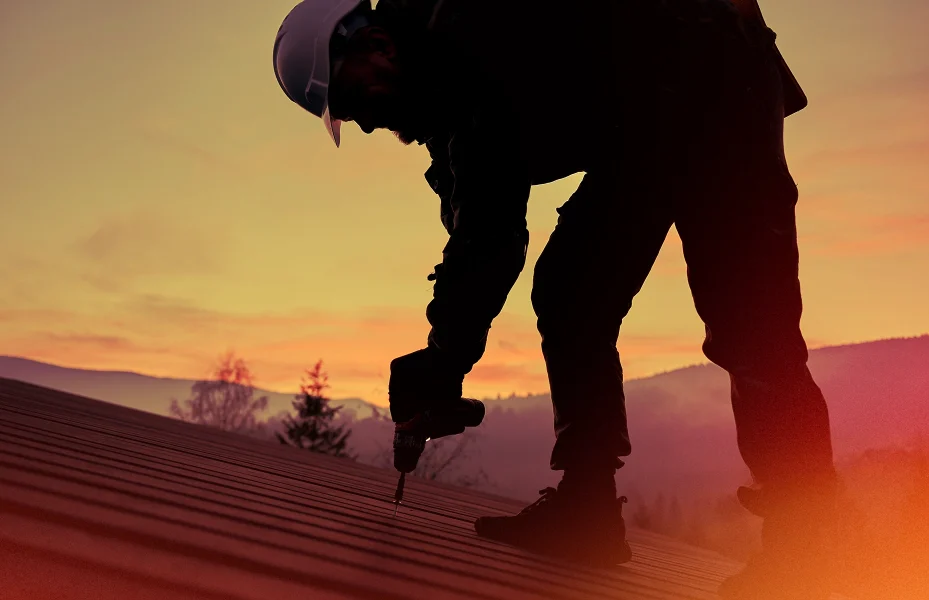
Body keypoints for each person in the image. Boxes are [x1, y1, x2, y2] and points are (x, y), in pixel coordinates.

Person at [273, 0, 839, 597]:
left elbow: (488, 234)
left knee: (752, 329)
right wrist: (443, 358)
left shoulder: (474, 34)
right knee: (571, 292)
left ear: (377, 45)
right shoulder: (442, 77)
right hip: (648, 120)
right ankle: (587, 510)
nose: (364, 122)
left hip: (719, 81)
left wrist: (443, 360)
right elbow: (476, 206)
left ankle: (807, 553)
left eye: (355, 99)